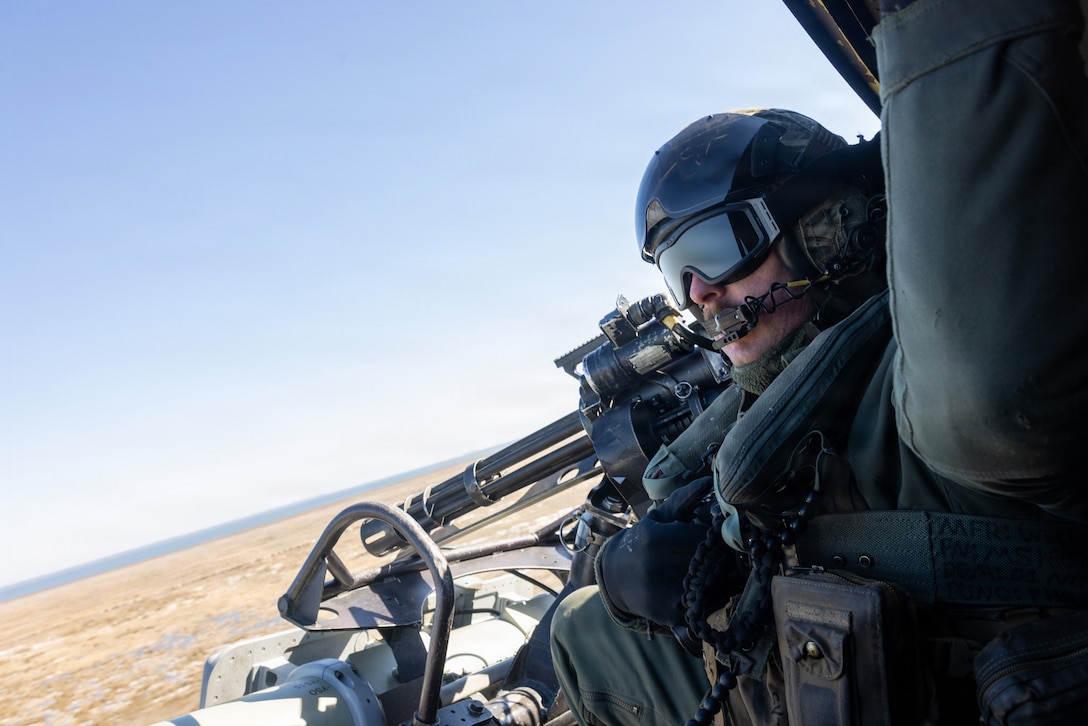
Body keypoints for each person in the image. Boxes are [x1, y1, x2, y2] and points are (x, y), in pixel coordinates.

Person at [551, 0, 1088, 724]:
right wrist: (623, 578)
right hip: (794, 681)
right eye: (676, 269)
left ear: (826, 230)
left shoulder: (948, 390)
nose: (700, 292)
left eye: (718, 248)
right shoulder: (780, 393)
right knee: (583, 625)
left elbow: (987, 383)